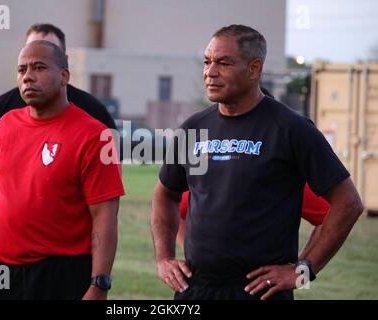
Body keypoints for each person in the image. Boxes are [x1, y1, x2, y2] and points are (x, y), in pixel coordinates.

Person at [150, 24, 363, 300]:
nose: (209, 72)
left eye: (223, 63)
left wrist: (303, 271)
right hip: (195, 289)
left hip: (260, 292)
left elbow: (349, 203)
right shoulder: (193, 128)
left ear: (254, 69)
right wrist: (164, 258)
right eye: (207, 62)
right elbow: (165, 194)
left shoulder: (291, 128)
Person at [0, 40, 125, 300]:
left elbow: (104, 215)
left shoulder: (95, 135)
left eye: (39, 68)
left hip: (60, 274)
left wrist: (99, 283)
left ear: (64, 76)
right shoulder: (4, 125)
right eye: (22, 70)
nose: (28, 77)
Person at [0, 23, 116, 190]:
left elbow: (110, 175)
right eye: (31, 49)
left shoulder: (93, 111)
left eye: (43, 62)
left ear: (65, 64)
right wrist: (7, 204)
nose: (38, 55)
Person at [176, 184, 330, 248]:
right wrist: (191, 253)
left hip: (262, 288)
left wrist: (302, 271)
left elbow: (330, 215)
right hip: (205, 287)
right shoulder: (212, 164)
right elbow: (174, 209)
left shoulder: (281, 166)